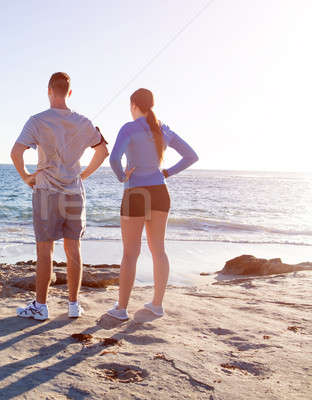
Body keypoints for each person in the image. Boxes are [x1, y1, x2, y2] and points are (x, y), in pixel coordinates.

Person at [10, 72, 109, 320]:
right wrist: (83, 175)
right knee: (73, 248)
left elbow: (15, 152)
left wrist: (26, 176)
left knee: (45, 252)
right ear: (70, 92)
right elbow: (103, 152)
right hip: (74, 192)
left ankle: (41, 306)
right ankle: (73, 305)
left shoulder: (37, 121)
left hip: (46, 191)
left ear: (49, 90)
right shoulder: (84, 122)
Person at [107, 88, 198, 320]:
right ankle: (157, 304)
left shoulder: (129, 128)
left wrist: (121, 176)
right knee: (158, 250)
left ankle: (121, 309)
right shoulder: (163, 129)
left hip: (136, 191)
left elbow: (114, 158)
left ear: (134, 104)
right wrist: (166, 172)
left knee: (130, 253)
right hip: (160, 192)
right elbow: (191, 156)